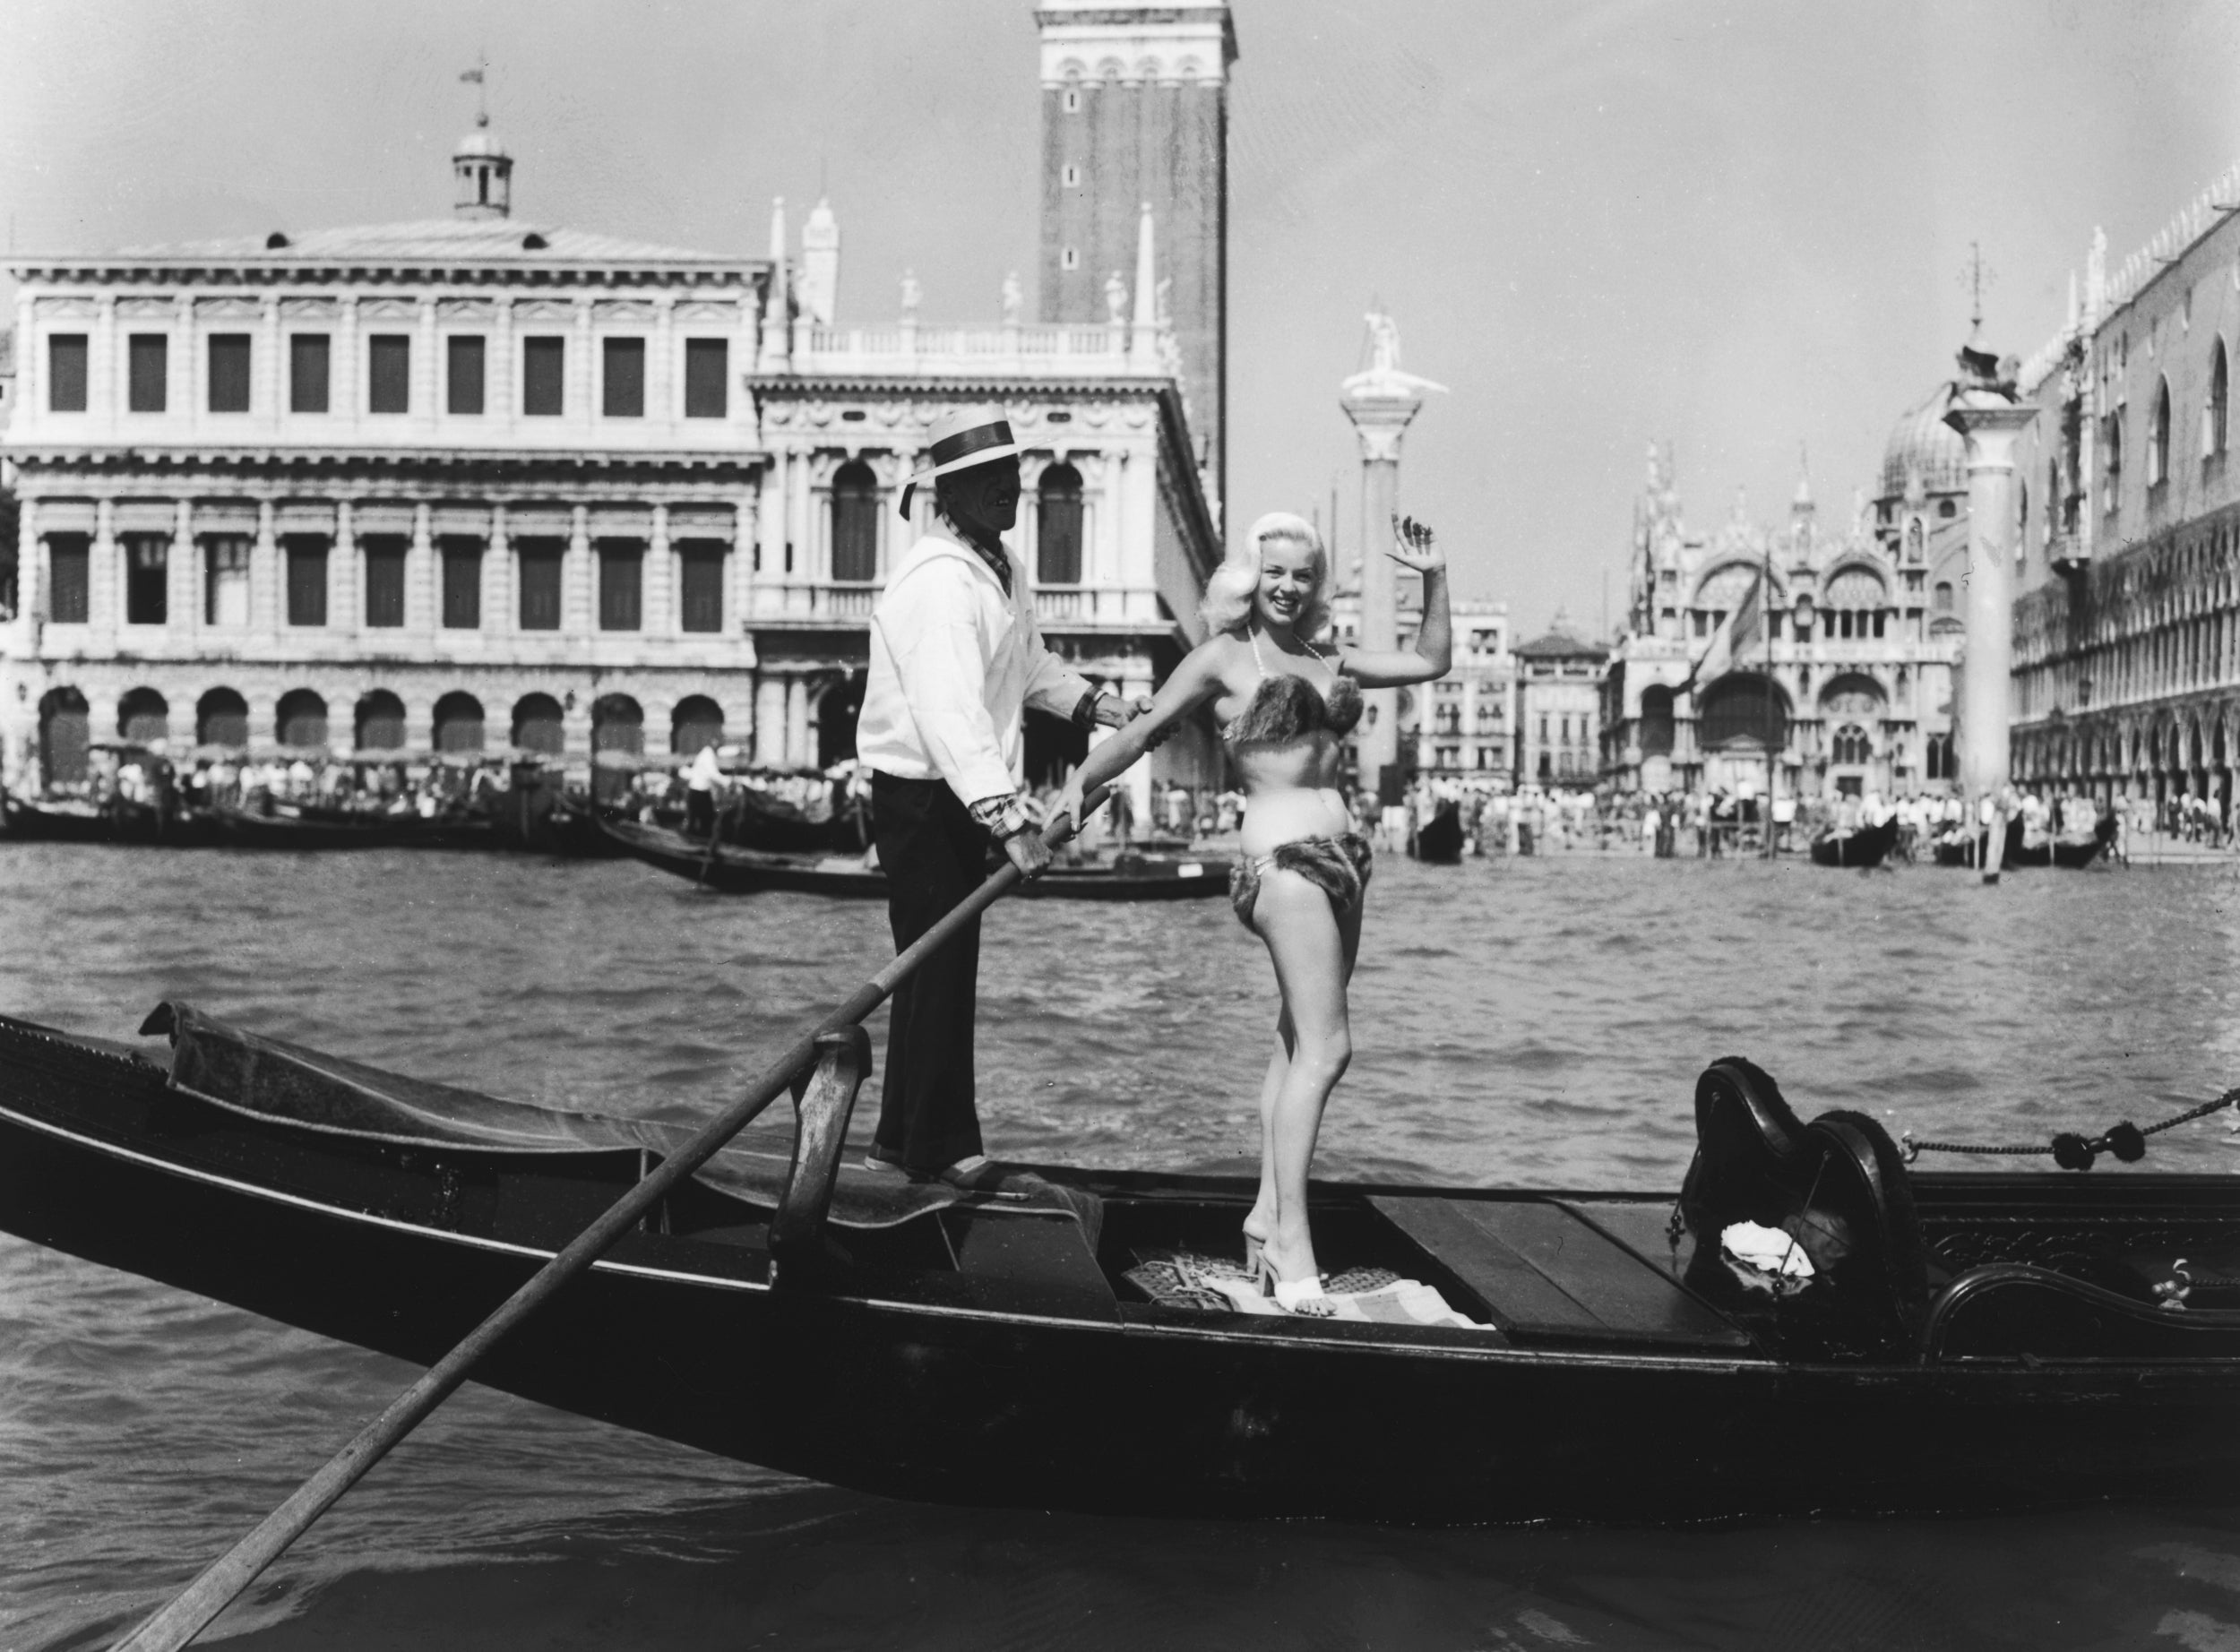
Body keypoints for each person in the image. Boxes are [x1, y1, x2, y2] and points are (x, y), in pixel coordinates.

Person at [1061, 510, 1451, 1312]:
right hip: (1284, 868)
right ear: (1251, 575)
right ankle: (1292, 1243)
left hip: (1345, 864)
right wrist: (1074, 788)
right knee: (1328, 1052)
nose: (1287, 586)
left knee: (1294, 1045)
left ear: (1317, 585)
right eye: (1275, 571)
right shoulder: (1223, 658)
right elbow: (1143, 732)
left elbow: (1430, 660)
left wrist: (1434, 576)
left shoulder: (1327, 656)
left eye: (1303, 574)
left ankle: (1266, 1214)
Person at [856, 406, 1149, 1189]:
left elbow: (1029, 665)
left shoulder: (1000, 568)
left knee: (935, 966)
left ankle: (901, 1140)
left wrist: (1095, 705)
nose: (1009, 493)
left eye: (1011, 478)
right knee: (937, 966)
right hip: (920, 798)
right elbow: (948, 710)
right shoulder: (939, 582)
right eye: (990, 482)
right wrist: (1004, 813)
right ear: (948, 494)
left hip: (952, 793)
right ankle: (940, 1147)